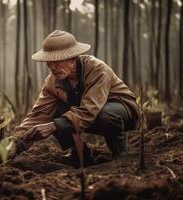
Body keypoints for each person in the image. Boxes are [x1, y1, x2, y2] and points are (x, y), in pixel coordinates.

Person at [11, 30, 140, 166]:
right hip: (88, 116)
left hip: (122, 112)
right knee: (55, 112)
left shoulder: (97, 69)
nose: (52, 67)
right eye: (49, 61)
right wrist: (15, 142)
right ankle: (80, 154)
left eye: (57, 61)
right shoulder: (52, 81)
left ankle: (120, 152)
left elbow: (90, 110)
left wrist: (54, 126)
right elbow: (38, 114)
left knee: (103, 114)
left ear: (73, 59)